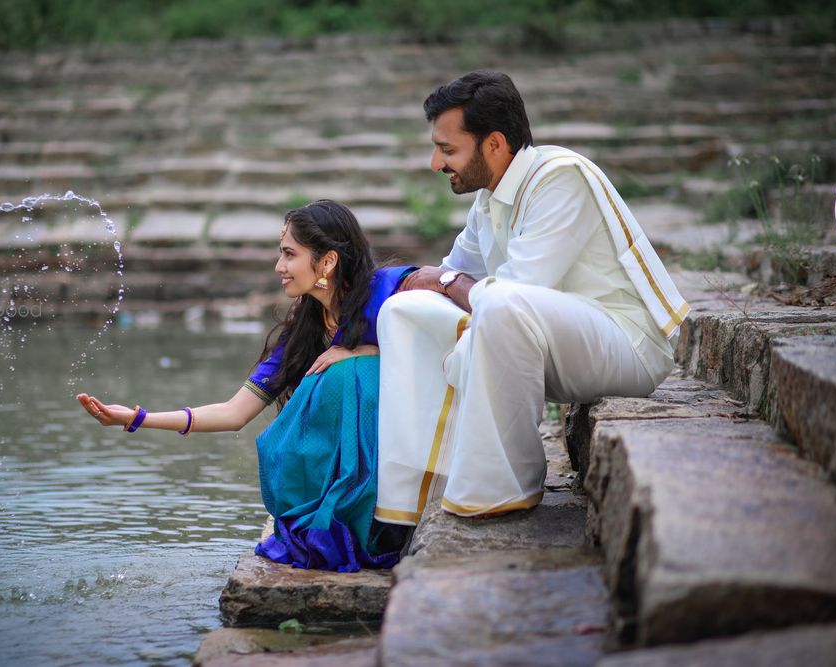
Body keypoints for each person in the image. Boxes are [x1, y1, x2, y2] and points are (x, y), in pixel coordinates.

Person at [373, 70, 689, 525]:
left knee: (501, 303)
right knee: (405, 310)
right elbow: (446, 275)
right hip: (551, 345)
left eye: (447, 150)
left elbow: (513, 290)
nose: (435, 163)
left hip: (626, 346)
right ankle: (411, 498)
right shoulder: (489, 198)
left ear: (495, 144)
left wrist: (449, 285)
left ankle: (506, 484)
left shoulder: (561, 178)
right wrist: (368, 329)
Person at [77, 200, 413, 572]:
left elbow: (439, 334)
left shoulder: (387, 292)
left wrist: (364, 352)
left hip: (402, 462)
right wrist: (137, 418)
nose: (279, 267)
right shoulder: (306, 331)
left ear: (328, 262)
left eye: (289, 255)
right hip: (352, 472)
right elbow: (234, 413)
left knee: (346, 374)